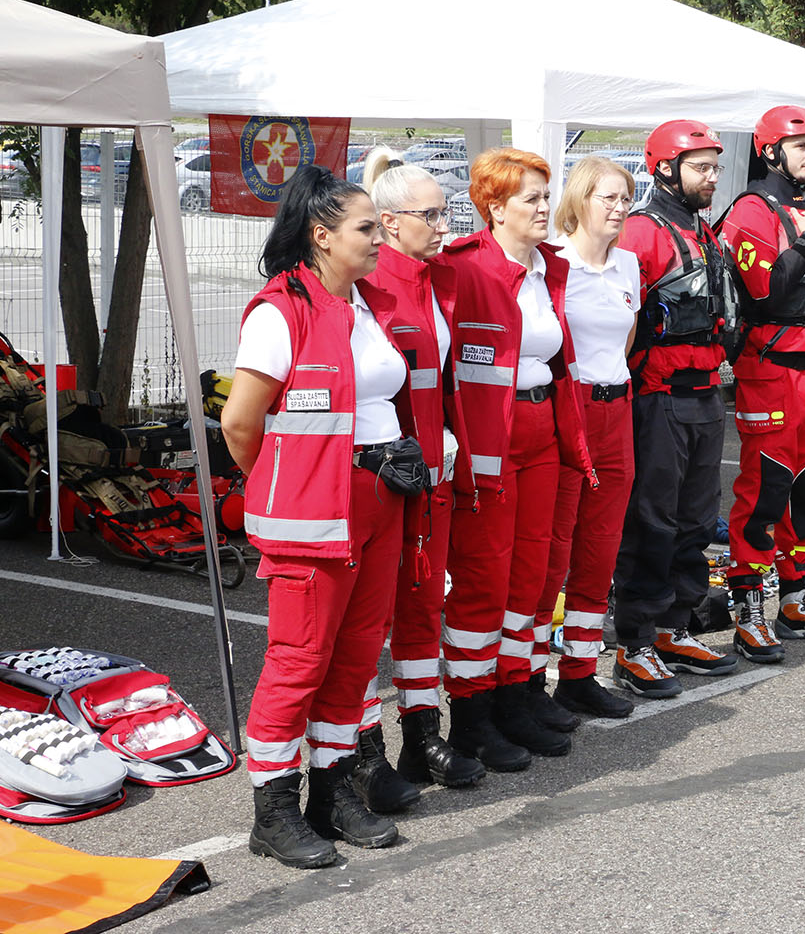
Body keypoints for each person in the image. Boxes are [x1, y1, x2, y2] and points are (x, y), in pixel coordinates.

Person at [223, 165, 408, 868]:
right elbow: (242, 424)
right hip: (314, 515)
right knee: (297, 663)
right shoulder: (281, 311)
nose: (379, 241)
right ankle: (272, 810)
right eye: (367, 228)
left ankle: (330, 794)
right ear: (321, 236)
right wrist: (282, 486)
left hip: (379, 503)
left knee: (356, 659)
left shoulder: (364, 304)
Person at [435, 148, 595, 768]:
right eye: (530, 198)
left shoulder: (546, 268)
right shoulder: (463, 269)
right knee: (484, 577)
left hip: (544, 428)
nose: (543, 209)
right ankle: (472, 715)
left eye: (543, 196)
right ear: (493, 207)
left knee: (532, 574)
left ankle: (515, 694)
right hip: (490, 439)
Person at [345, 150, 485, 816]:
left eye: (446, 212)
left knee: (424, 608)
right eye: (431, 215)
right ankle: (363, 752)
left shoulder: (438, 282)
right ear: (391, 222)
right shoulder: (373, 288)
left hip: (432, 478)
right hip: (383, 482)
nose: (443, 224)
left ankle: (422, 736)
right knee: (368, 623)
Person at [720, 106, 805, 661]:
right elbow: (768, 293)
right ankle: (749, 609)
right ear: (771, 151)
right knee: (763, 490)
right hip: (773, 368)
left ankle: (798, 597)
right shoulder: (751, 211)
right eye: (800, 146)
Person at [612, 120, 743, 697]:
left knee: (695, 519)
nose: (712, 176)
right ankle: (635, 641)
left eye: (715, 166)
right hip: (658, 397)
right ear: (664, 168)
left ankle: (676, 626)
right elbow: (623, 319)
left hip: (705, 393)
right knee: (653, 521)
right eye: (700, 167)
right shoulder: (643, 233)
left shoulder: (704, 233)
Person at [536, 157, 640, 716]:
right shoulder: (552, 264)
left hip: (616, 410)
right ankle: (529, 677)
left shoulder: (628, 266)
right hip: (568, 410)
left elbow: (623, 345)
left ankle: (578, 671)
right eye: (609, 198)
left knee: (600, 549)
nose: (620, 208)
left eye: (626, 198)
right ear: (579, 201)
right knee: (554, 552)